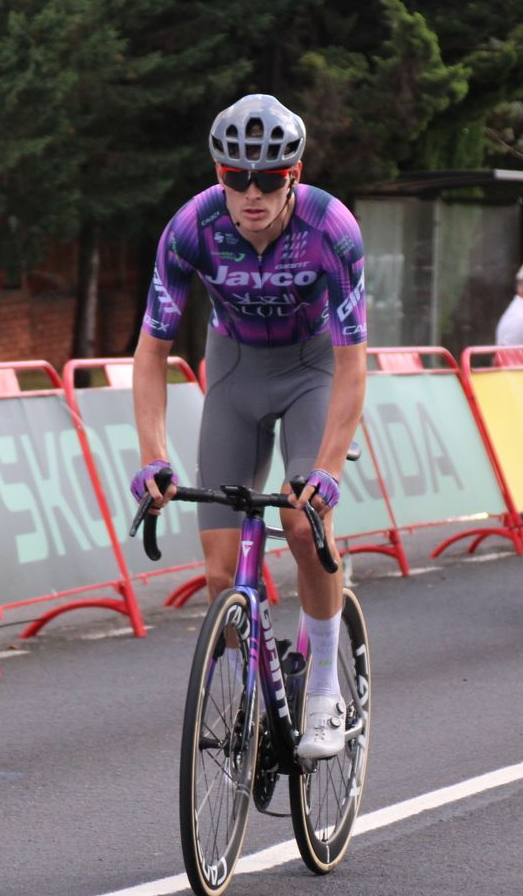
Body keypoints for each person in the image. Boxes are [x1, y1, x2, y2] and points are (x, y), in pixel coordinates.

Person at [130, 94, 367, 760]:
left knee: (299, 521)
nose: (252, 193)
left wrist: (326, 467)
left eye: (269, 179)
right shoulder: (190, 228)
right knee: (217, 575)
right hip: (233, 368)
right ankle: (252, 701)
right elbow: (151, 353)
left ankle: (323, 682)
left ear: (294, 175)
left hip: (311, 369)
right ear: (218, 174)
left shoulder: (332, 228)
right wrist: (153, 457)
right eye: (237, 178)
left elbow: (352, 365)